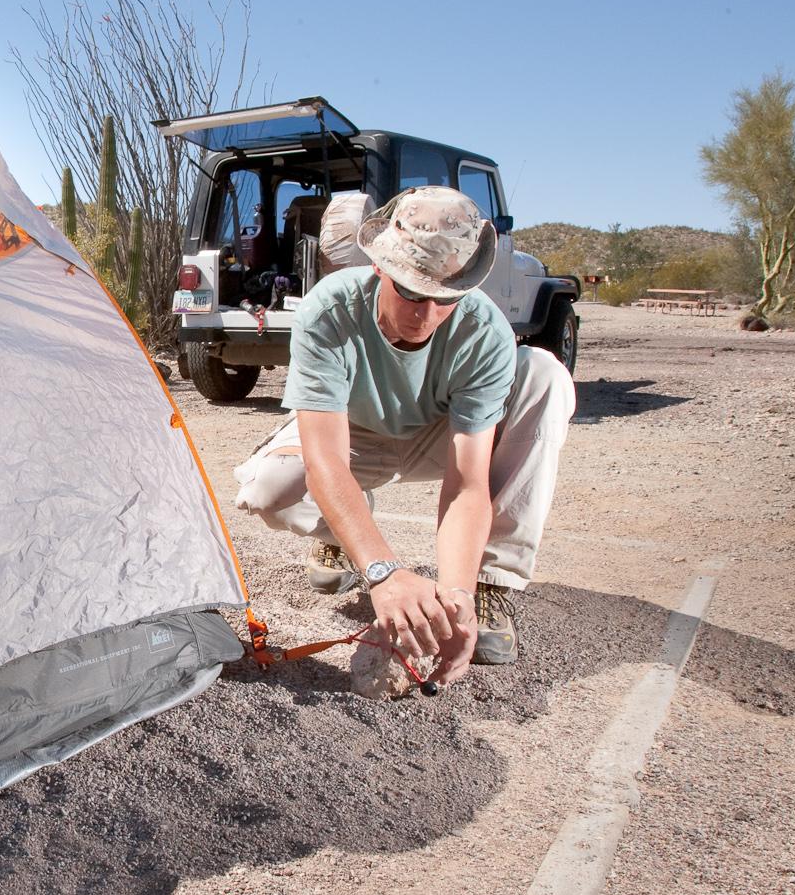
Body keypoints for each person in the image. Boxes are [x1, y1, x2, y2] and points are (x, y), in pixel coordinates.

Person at [232, 185, 575, 685]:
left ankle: (487, 584)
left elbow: (467, 485)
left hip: (437, 435)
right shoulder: (329, 312)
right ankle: (349, 538)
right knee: (269, 487)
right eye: (412, 292)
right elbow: (326, 461)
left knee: (544, 374)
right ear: (380, 268)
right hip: (355, 435)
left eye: (445, 299)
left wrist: (453, 595)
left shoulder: (486, 332)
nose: (426, 315)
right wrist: (383, 572)